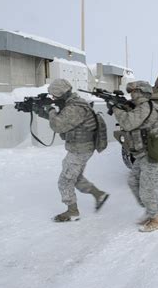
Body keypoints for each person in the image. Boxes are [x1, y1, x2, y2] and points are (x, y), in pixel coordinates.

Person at [35, 79, 109, 222]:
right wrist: (39, 110)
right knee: (75, 177)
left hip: (80, 149)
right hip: (81, 147)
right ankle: (99, 195)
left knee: (64, 181)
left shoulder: (75, 107)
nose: (53, 99)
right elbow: (63, 119)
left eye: (54, 97)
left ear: (61, 94)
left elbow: (58, 125)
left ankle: (72, 211)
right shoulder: (72, 104)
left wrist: (50, 109)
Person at [109, 80, 158, 232]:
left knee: (147, 190)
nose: (132, 95)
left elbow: (128, 123)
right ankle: (151, 210)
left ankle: (156, 220)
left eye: (134, 92)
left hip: (153, 154)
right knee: (133, 181)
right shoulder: (140, 107)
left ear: (141, 92)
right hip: (143, 153)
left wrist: (116, 108)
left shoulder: (146, 107)